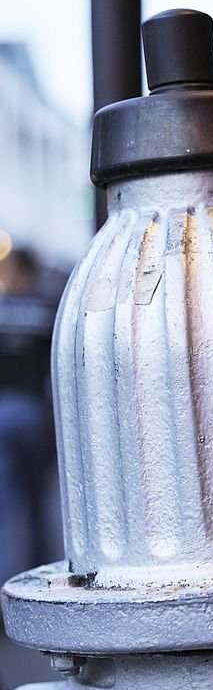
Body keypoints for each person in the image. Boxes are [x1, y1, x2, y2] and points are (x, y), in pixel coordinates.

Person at [0, 248, 57, 583]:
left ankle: (5, 590)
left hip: (2, 413)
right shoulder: (45, 310)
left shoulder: (2, 309)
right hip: (34, 413)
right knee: (37, 503)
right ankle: (39, 581)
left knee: (7, 507)